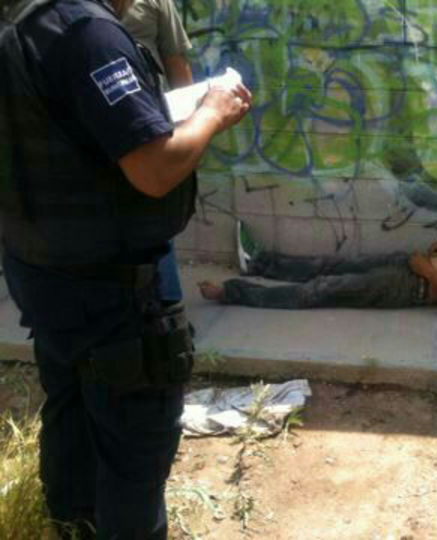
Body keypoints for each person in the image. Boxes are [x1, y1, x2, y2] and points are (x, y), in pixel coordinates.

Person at [0, 0, 251, 537]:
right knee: (135, 446)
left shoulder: (26, 21)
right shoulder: (89, 35)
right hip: (112, 287)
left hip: (42, 269)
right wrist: (213, 111)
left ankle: (72, 526)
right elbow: (155, 170)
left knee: (72, 414)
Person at [198, 241, 437, 322]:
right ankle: (259, 264)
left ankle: (233, 293)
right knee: (328, 265)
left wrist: (429, 273)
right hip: (416, 263)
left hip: (414, 285)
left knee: (323, 290)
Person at [122, 0, 193, 307]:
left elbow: (176, 61)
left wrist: (189, 125)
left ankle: (167, 301)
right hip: (99, 125)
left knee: (155, 212)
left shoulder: (155, 3)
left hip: (152, 124)